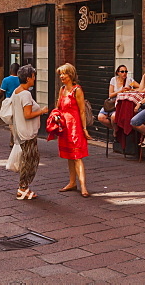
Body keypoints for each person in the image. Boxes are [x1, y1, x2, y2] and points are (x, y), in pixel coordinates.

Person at [11, 64, 47, 200]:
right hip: (27, 132)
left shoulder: (17, 91)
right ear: (28, 78)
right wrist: (42, 111)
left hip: (21, 131)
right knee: (30, 160)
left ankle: (23, 186)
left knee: (30, 159)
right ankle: (23, 187)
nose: (35, 78)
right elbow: (28, 114)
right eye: (33, 76)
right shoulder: (25, 94)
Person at [54, 63, 90, 197]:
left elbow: (82, 111)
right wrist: (56, 116)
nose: (62, 76)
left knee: (77, 157)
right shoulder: (62, 89)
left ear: (71, 75)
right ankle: (72, 182)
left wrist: (84, 128)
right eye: (60, 74)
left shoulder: (77, 90)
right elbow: (58, 106)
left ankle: (83, 186)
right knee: (69, 155)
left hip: (75, 127)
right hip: (65, 126)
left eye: (64, 74)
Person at [97, 65, 137, 129]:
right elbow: (110, 95)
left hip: (121, 103)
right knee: (100, 117)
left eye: (126, 72)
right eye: (122, 72)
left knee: (114, 117)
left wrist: (131, 90)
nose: (124, 73)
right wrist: (121, 91)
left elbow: (140, 87)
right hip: (112, 102)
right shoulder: (113, 80)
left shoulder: (129, 81)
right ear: (118, 72)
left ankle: (115, 132)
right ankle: (116, 129)